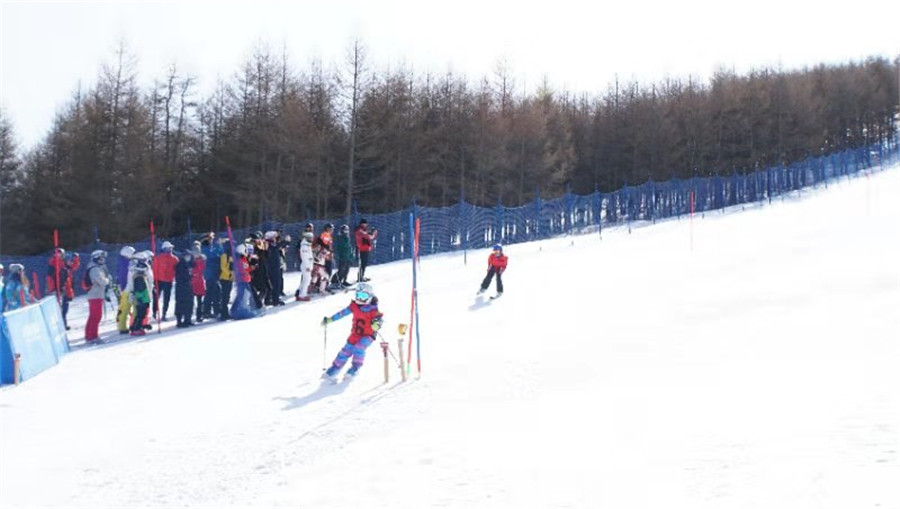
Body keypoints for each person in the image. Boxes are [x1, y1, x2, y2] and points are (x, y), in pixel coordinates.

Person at [320, 282, 384, 382]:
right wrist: (330, 319)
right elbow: (342, 313)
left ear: (370, 297)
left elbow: (379, 318)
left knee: (359, 347)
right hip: (355, 334)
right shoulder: (354, 306)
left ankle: (355, 367)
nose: (360, 299)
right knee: (346, 350)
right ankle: (336, 367)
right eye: (358, 295)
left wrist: (376, 324)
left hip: (368, 335)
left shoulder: (373, 309)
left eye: (363, 296)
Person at [83, 250, 110, 342]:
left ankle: (89, 335)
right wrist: (107, 280)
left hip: (96, 294)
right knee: (96, 316)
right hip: (95, 295)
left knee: (93, 316)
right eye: (101, 258)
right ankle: (92, 336)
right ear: (96, 258)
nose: (103, 260)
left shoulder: (95, 268)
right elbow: (101, 281)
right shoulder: (95, 269)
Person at [126, 253, 153, 336]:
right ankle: (136, 327)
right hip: (140, 294)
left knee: (143, 311)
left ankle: (138, 326)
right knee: (140, 312)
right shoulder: (135, 272)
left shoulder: (144, 270)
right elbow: (131, 285)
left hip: (145, 293)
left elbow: (150, 279)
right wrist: (132, 294)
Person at [201, 233, 223, 319]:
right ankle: (214, 310)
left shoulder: (209, 249)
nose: (212, 240)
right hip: (211, 275)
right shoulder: (205, 250)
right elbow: (214, 256)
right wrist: (219, 246)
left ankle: (208, 311)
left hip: (212, 274)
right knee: (215, 292)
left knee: (210, 293)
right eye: (210, 238)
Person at [156, 241, 178, 321]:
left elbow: (177, 270)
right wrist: (155, 280)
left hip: (169, 281)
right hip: (159, 280)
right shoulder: (158, 258)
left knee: (166, 298)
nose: (170, 250)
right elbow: (155, 269)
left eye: (171, 248)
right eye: (169, 248)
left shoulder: (174, 259)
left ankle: (164, 314)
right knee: (156, 297)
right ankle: (155, 312)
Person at [116, 246, 136, 334]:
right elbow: (124, 278)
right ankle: (122, 327)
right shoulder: (125, 264)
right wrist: (126, 289)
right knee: (125, 308)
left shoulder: (125, 262)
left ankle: (123, 326)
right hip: (127, 289)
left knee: (125, 308)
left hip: (127, 288)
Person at [174, 250, 195, 328]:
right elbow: (181, 276)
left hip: (188, 286)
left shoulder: (189, 264)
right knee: (181, 303)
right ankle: (179, 321)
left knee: (189, 303)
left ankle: (187, 319)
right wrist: (189, 277)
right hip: (181, 286)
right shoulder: (180, 265)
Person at [294, 230, 313, 301]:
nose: (312, 239)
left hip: (308, 265)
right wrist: (307, 266)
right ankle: (302, 295)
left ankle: (300, 292)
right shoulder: (304, 246)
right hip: (306, 265)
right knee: (306, 280)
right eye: (310, 238)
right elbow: (304, 257)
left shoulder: (307, 245)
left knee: (306, 280)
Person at [191, 243, 207, 323]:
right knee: (191, 300)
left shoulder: (201, 259)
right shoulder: (191, 260)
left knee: (199, 300)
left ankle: (199, 315)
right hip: (193, 282)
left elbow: (202, 268)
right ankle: (190, 316)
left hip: (199, 281)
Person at [218, 242, 234, 320]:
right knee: (224, 296)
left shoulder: (232, 256)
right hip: (224, 278)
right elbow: (223, 267)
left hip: (230, 279)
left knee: (227, 296)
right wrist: (229, 274)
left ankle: (225, 312)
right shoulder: (224, 256)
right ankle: (223, 313)